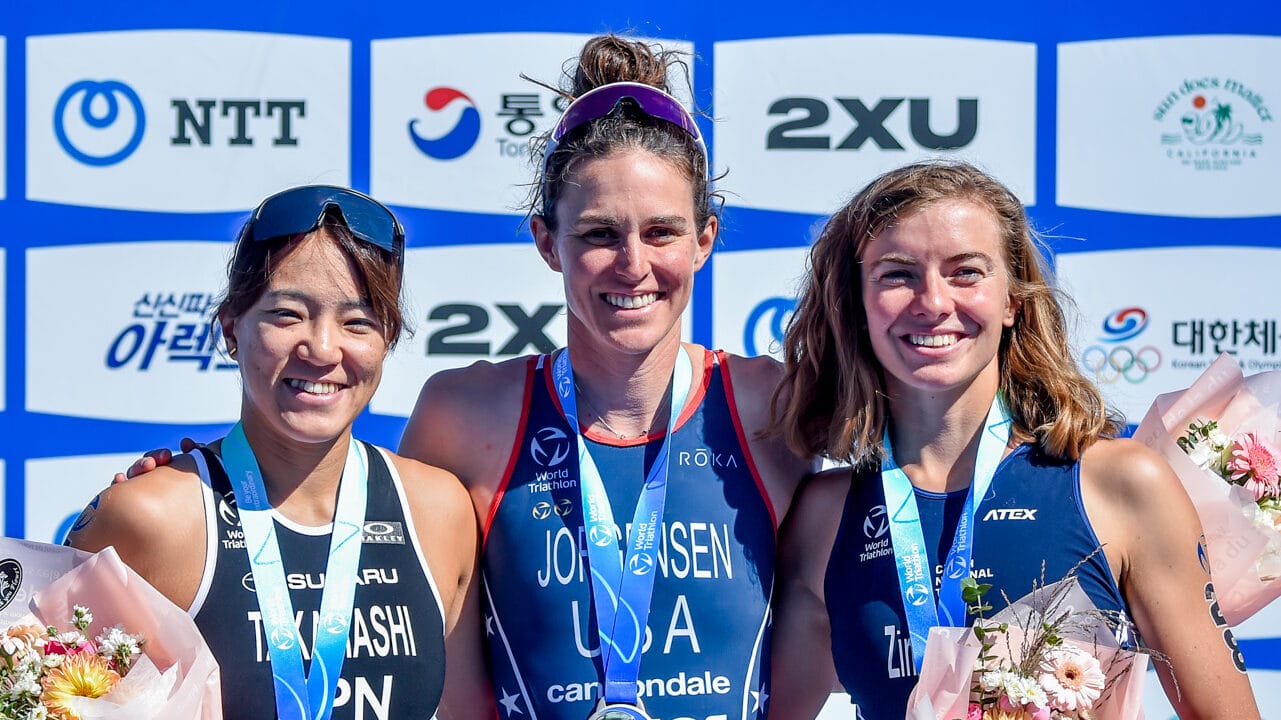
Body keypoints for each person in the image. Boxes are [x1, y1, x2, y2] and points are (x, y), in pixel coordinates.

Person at [398, 35, 812, 720]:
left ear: (704, 240)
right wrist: (210, 477)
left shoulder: (775, 404)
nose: (631, 263)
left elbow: (932, 460)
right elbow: (350, 535)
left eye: (661, 233)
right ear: (545, 242)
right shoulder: (464, 415)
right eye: (597, 234)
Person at [766, 161, 1261, 720]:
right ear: (856, 304)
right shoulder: (824, 517)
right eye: (897, 274)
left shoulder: (1117, 483)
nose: (932, 301)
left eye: (966, 272)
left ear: (1012, 302)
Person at [70, 185, 493, 720]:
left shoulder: (438, 513)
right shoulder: (151, 519)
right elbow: (45, 696)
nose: (321, 348)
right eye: (288, 314)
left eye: (357, 322)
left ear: (386, 339)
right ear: (231, 329)